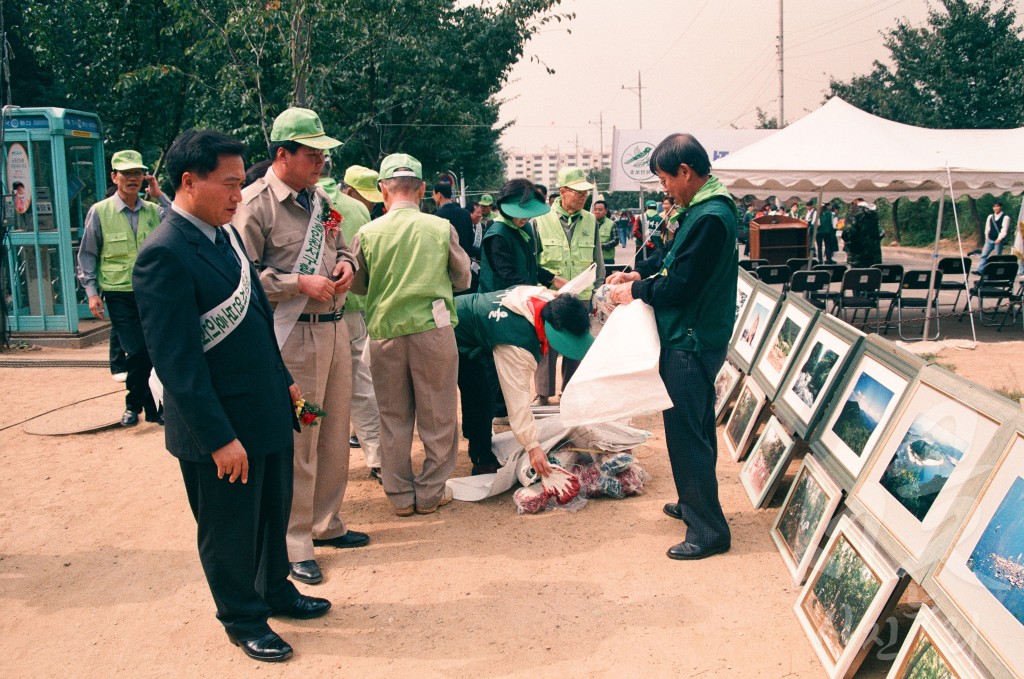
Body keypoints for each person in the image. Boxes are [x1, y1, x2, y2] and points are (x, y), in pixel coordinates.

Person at [133, 129, 330, 663]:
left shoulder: (228, 237)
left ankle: (274, 590)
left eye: (242, 183)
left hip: (264, 403)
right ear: (188, 181)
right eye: (228, 184)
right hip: (219, 423)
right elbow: (178, 364)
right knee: (229, 526)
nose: (238, 196)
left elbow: (257, 320)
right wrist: (219, 438)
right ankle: (243, 617)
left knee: (272, 510)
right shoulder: (164, 253)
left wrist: (284, 381)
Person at [235, 107, 366, 588]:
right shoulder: (255, 205)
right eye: (312, 155)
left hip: (334, 329)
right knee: (300, 438)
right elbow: (244, 276)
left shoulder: (321, 202)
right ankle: (295, 543)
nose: (321, 164)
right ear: (282, 154)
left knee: (333, 433)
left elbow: (343, 246)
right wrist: (297, 283)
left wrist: (347, 265)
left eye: (324, 156)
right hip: (293, 337)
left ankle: (327, 523)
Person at [607, 133, 736, 561]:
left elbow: (680, 284)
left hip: (691, 338)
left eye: (665, 180)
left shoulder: (710, 217)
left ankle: (707, 530)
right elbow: (670, 263)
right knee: (696, 425)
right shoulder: (700, 212)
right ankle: (692, 501)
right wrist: (636, 276)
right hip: (693, 334)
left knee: (686, 433)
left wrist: (636, 291)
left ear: (685, 172)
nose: (664, 189)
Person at [350, 153, 471, 516]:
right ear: (421, 189)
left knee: (392, 416)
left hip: (385, 332)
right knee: (438, 415)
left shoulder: (367, 233)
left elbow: (357, 284)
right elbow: (463, 277)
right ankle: (431, 491)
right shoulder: (438, 228)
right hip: (433, 331)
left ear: (383, 190)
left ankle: (400, 495)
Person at [456, 285, 593, 476]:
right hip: (452, 332)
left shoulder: (546, 302)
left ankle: (478, 448)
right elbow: (517, 400)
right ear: (557, 328)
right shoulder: (516, 344)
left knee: (481, 391)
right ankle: (481, 458)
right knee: (479, 395)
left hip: (472, 328)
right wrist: (533, 447)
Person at [76, 149, 168, 427]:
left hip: (152, 292)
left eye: (138, 173)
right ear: (114, 177)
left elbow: (183, 222)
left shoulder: (154, 210)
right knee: (137, 350)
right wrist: (91, 292)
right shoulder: (100, 212)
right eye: (126, 174)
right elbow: (88, 254)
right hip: (119, 293)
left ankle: (150, 409)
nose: (133, 179)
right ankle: (133, 405)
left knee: (153, 351)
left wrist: (160, 194)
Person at [319, 162, 385, 484]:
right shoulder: (356, 210)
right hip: (353, 307)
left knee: (311, 390)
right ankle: (377, 457)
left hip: (305, 315)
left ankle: (312, 462)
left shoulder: (307, 201)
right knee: (361, 384)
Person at [533, 166, 604, 404]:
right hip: (550, 296)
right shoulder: (540, 220)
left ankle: (570, 393)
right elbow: (534, 260)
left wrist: (599, 292)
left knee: (577, 344)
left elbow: (598, 259)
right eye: (578, 192)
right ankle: (543, 394)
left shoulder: (591, 220)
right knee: (546, 347)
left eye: (586, 193)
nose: (584, 197)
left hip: (581, 296)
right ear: (562, 191)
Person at [478, 179, 562, 294]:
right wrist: (540, 292)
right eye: (520, 214)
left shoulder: (525, 227)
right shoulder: (497, 234)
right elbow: (508, 276)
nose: (525, 219)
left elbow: (530, 266)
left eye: (528, 214)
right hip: (500, 300)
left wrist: (553, 279)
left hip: (524, 294)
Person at [433, 181, 478, 293]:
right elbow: (470, 238)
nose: (433, 197)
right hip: (465, 266)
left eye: (433, 194)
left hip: (447, 270)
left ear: (439, 195)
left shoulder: (436, 217)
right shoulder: (465, 213)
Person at [842, 198, 882, 267]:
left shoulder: (854, 212)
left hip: (858, 256)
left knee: (857, 276)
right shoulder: (873, 213)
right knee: (874, 276)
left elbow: (847, 233)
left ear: (855, 200)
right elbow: (881, 232)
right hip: (874, 255)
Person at [978, 201, 1011, 272]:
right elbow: (987, 227)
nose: (996, 208)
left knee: (997, 256)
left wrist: (999, 239)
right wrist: (986, 236)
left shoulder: (1005, 217)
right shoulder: (990, 216)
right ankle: (980, 270)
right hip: (989, 239)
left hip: (998, 240)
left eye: (997, 206)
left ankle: (996, 271)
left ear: (1001, 207)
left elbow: (1004, 229)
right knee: (984, 255)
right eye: (994, 206)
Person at [594, 199, 617, 264]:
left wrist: (603, 246)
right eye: (595, 210)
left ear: (606, 211)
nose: (597, 212)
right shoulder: (589, 223)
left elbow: (615, 240)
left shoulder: (611, 224)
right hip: (592, 259)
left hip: (607, 259)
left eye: (600, 210)